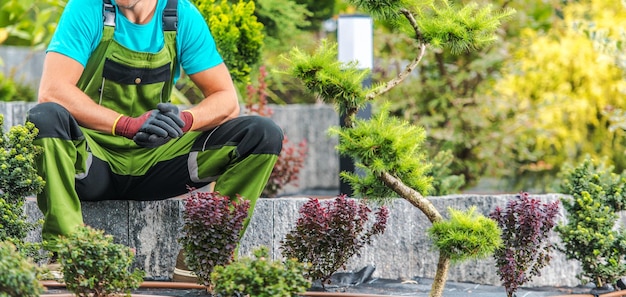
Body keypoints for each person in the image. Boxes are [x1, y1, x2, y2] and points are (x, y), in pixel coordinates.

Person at [27, 0, 283, 281]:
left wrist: (185, 120)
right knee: (44, 117)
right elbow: (53, 90)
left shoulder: (180, 15)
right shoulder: (87, 8)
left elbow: (226, 99)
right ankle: (67, 252)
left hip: (158, 165)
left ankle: (204, 255)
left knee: (261, 134)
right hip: (92, 164)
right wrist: (124, 124)